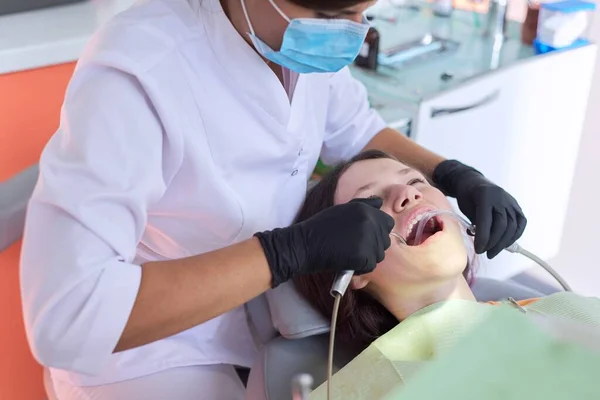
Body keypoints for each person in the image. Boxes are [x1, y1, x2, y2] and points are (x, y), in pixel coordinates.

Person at [20, 0, 526, 398]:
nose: (350, 33)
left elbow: (357, 129)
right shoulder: (138, 73)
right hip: (150, 353)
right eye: (331, 15)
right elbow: (69, 319)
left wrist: (450, 172)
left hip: (263, 318)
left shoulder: (300, 38)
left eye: (362, 12)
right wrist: (288, 252)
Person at [292, 150, 600, 399]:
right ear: (353, 271)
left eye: (416, 181)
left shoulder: (568, 309)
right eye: (370, 204)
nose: (407, 194)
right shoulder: (362, 388)